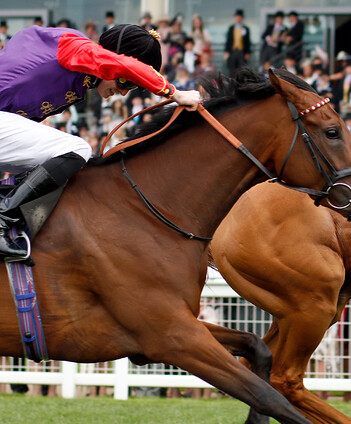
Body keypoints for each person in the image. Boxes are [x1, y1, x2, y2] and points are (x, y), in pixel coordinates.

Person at [0, 24, 201, 261]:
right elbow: (119, 63)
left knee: (50, 165)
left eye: (133, 86)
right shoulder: (74, 47)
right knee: (78, 149)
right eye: (127, 83)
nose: (125, 93)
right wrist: (175, 93)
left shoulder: (75, 70)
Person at [224, 9, 252, 75]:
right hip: (233, 51)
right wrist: (227, 51)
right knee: (232, 68)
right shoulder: (231, 28)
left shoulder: (245, 28)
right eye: (237, 17)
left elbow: (248, 41)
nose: (238, 18)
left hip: (242, 51)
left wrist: (247, 52)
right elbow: (228, 40)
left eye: (239, 17)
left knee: (242, 69)